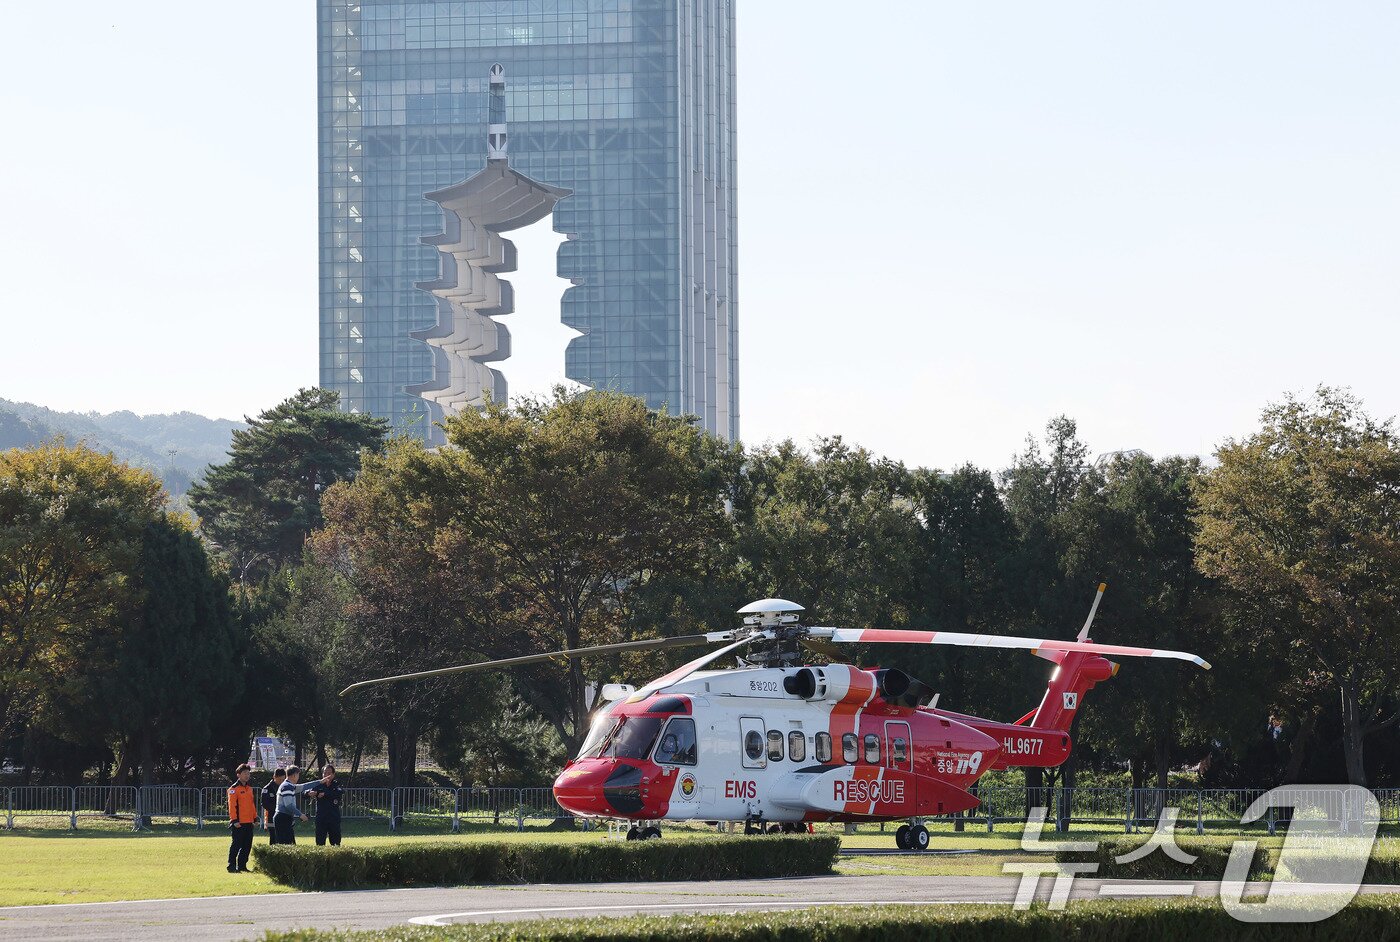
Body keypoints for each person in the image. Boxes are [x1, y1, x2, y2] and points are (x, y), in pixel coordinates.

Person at [226, 764, 258, 873]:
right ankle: (231, 866)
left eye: (248, 773)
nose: (247, 775)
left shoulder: (249, 789)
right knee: (236, 845)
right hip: (239, 822)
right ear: (238, 775)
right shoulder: (233, 789)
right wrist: (234, 820)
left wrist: (255, 818)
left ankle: (242, 866)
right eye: (244, 773)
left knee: (247, 846)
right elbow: (232, 806)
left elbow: (252, 805)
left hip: (249, 822)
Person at [303, 764, 345, 846]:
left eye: (329, 773)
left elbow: (339, 792)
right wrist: (308, 793)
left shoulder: (337, 784)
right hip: (321, 818)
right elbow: (304, 794)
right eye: (325, 773)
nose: (326, 775)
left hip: (334, 818)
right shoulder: (318, 784)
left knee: (336, 843)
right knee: (320, 843)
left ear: (333, 774)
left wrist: (324, 794)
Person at [273, 765, 314, 845]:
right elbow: (288, 805)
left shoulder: (290, 786)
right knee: (286, 846)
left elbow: (305, 786)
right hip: (282, 818)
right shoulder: (286, 786)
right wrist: (300, 815)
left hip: (285, 817)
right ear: (294, 775)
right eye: (298, 775)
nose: (298, 777)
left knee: (290, 844)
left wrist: (320, 782)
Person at [261, 767, 286, 844]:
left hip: (283, 817)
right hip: (272, 817)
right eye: (280, 779)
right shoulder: (267, 788)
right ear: (274, 777)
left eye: (283, 780)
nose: (281, 782)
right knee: (274, 839)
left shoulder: (284, 787)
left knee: (284, 839)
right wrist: (277, 809)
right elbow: (264, 803)